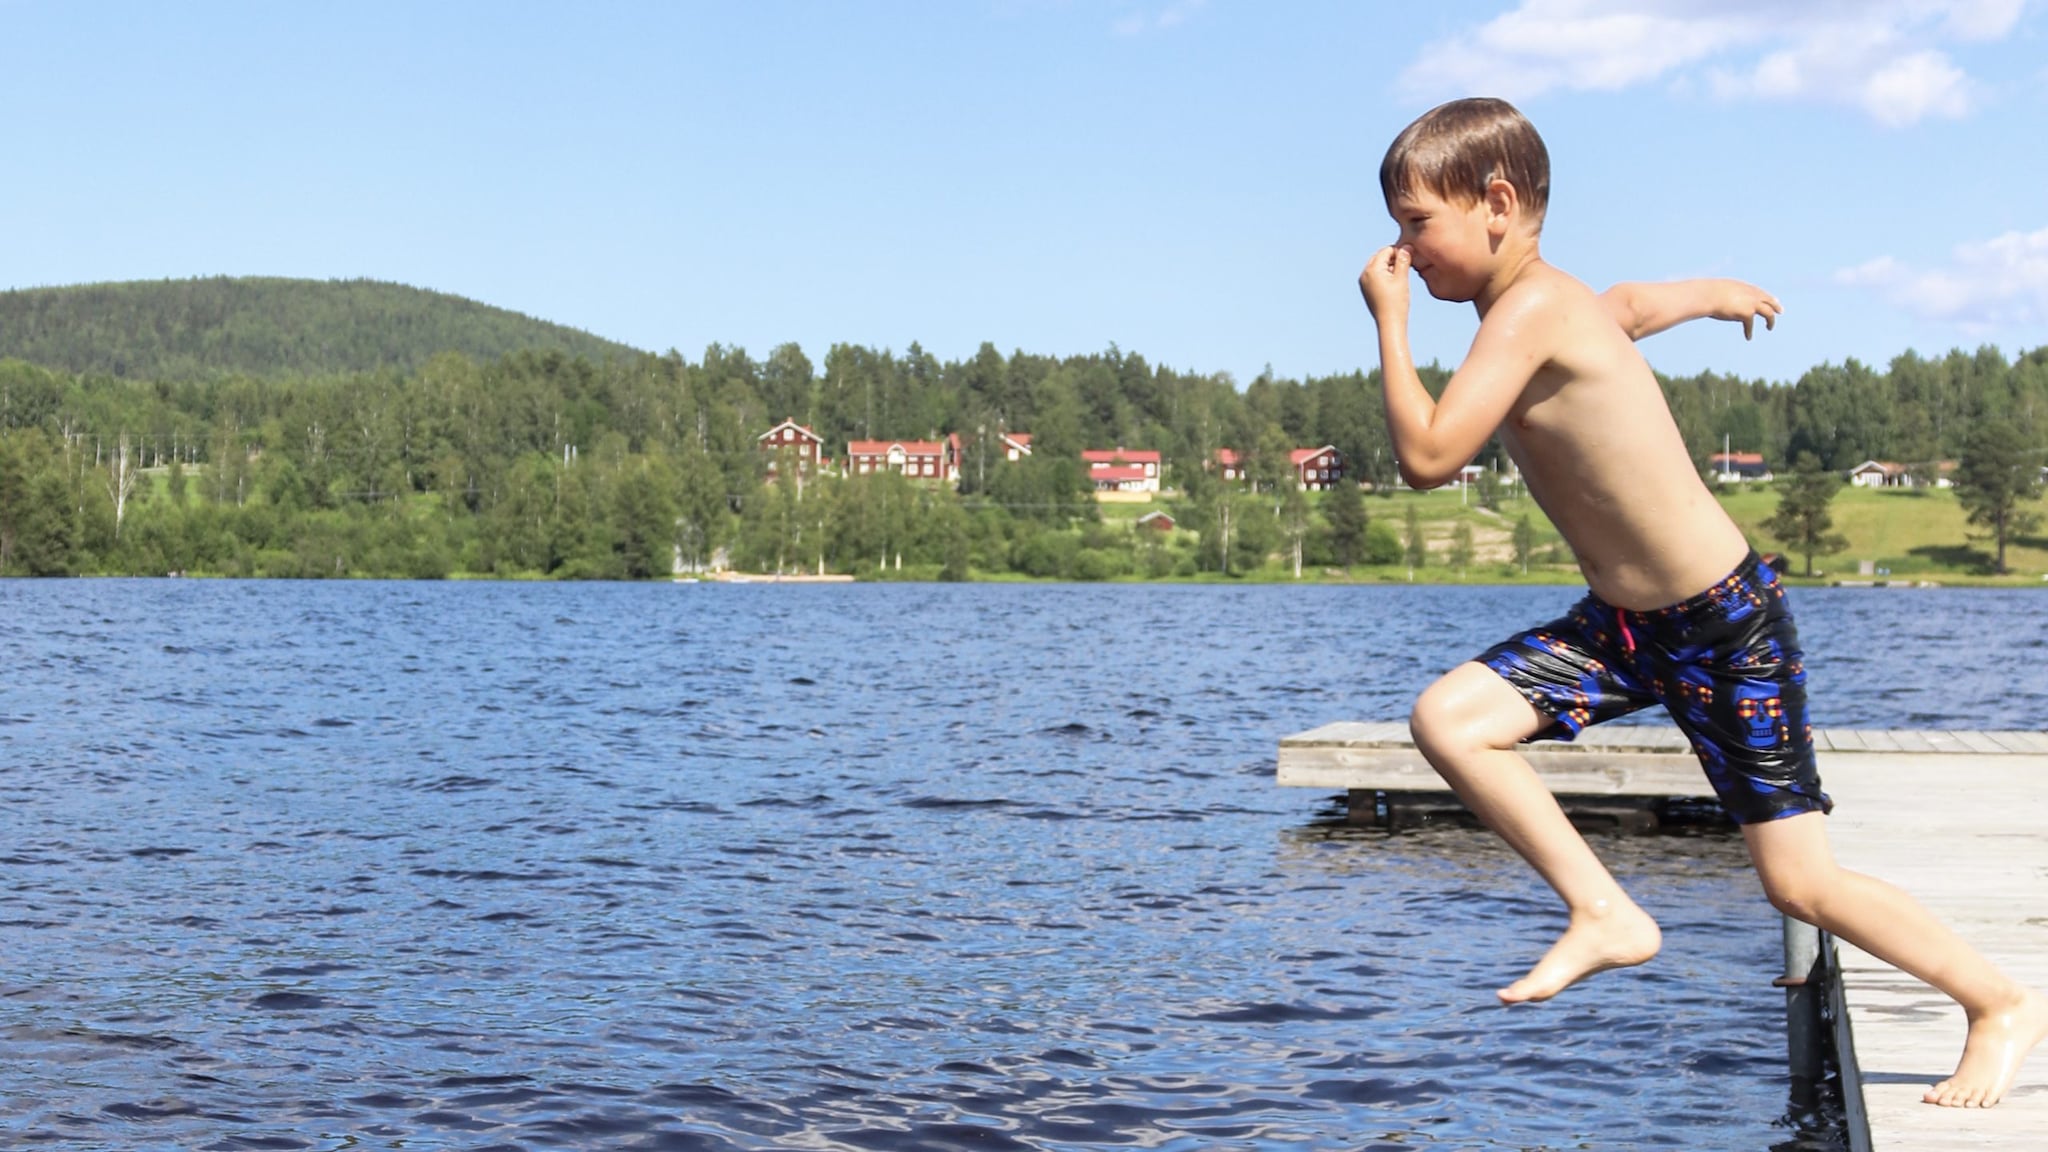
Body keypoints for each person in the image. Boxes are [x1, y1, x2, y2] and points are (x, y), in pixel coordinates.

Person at [1355, 96, 2048, 1109]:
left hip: (1723, 628)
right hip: (1623, 629)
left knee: (1798, 884)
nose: (1403, 252)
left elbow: (1425, 457)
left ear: (1495, 202)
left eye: (1417, 223)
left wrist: (1387, 324)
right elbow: (1625, 307)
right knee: (1449, 721)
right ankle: (1603, 911)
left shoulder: (1528, 311)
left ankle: (1995, 1005)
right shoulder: (1557, 307)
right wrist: (1710, 293)